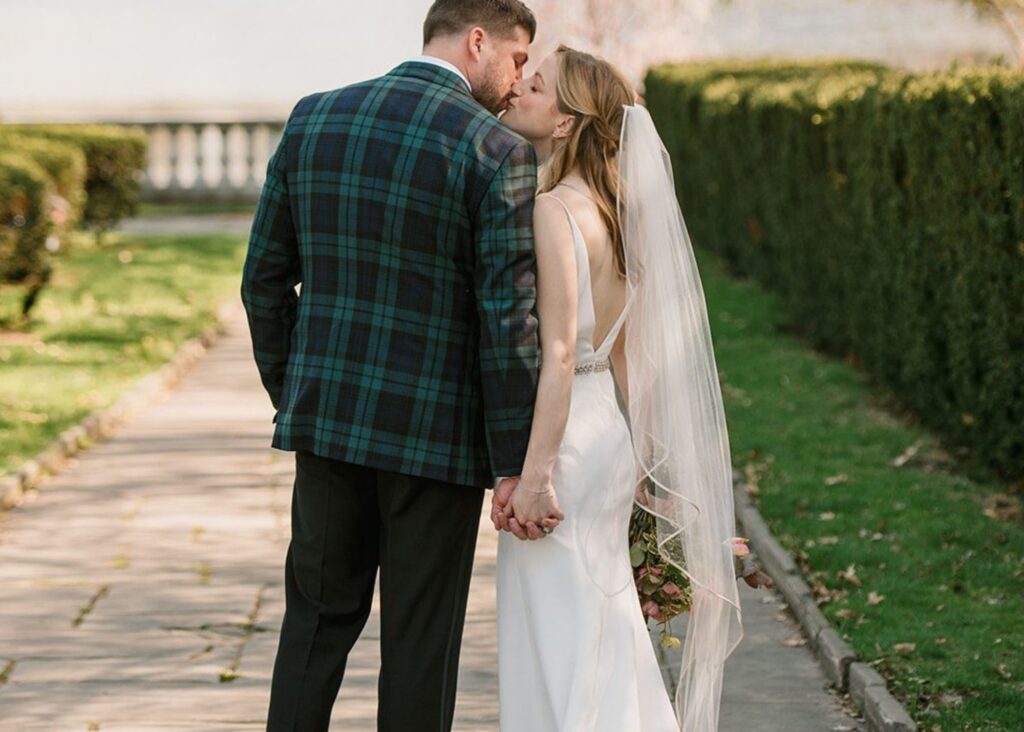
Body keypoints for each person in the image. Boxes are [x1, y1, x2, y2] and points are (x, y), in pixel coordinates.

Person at [240, 2, 544, 730]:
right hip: (435, 445)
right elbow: (508, 323)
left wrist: (298, 393)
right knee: (420, 640)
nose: (518, 79)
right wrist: (515, 460)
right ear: (478, 41)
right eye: (518, 58)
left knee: (313, 622)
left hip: (327, 427)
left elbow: (263, 283)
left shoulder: (314, 118)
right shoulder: (494, 150)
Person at [493, 46, 773, 731]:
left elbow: (561, 353)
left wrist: (534, 478)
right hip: (608, 442)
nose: (518, 91)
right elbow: (630, 355)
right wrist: (645, 464)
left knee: (555, 631)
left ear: (565, 125)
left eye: (536, 86)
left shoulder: (556, 210)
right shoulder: (619, 215)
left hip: (563, 443)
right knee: (605, 625)